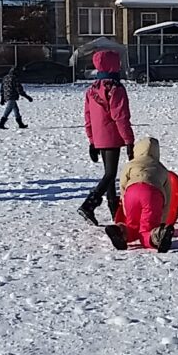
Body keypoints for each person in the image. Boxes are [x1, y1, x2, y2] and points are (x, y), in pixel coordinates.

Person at [79, 49, 134, 226]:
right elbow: (121, 116)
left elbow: (88, 117)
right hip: (112, 136)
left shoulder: (92, 89)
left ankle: (114, 211)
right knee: (110, 174)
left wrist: (92, 141)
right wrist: (129, 140)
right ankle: (90, 204)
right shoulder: (115, 88)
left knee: (108, 174)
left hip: (99, 137)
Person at [107, 135, 175, 252]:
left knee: (132, 226)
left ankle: (120, 231)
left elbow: (123, 185)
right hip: (152, 194)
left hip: (131, 192)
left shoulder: (130, 164)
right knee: (147, 228)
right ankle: (157, 235)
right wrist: (162, 221)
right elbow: (168, 197)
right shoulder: (162, 169)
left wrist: (125, 207)